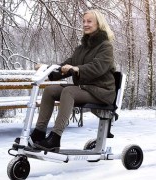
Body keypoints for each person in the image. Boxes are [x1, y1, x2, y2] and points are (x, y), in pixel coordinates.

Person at [23, 9, 117, 152]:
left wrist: (77, 69)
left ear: (99, 23)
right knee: (50, 90)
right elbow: (67, 65)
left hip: (101, 91)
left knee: (69, 91)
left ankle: (55, 137)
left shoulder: (105, 46)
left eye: (89, 21)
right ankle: (39, 133)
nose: (85, 24)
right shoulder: (81, 48)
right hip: (86, 89)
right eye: (84, 21)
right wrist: (48, 69)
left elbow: (98, 67)